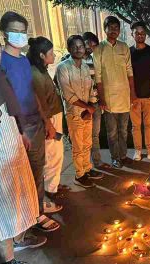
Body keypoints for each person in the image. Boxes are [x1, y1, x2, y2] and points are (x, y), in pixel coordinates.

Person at [0, 11, 60, 233]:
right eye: (15, 31)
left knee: (37, 169)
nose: (20, 36)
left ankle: (37, 211)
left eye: (23, 32)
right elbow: (6, 99)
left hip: (35, 122)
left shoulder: (24, 61)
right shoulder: (0, 62)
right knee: (19, 174)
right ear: (5, 34)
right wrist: (19, 129)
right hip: (17, 127)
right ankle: (25, 221)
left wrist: (46, 121)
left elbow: (32, 92)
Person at [0, 28, 40, 264]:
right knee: (1, 205)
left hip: (10, 143)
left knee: (17, 194)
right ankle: (6, 262)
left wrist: (19, 132)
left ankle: (18, 240)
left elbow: (9, 108)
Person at [56, 35, 103, 188]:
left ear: (85, 49)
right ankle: (79, 174)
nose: (78, 49)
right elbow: (68, 94)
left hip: (87, 111)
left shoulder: (85, 66)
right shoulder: (63, 67)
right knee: (78, 145)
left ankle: (87, 168)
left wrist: (91, 105)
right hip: (74, 113)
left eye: (81, 46)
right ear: (69, 49)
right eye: (74, 47)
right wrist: (87, 107)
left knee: (88, 142)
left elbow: (90, 88)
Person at [27, 36, 65, 209]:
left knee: (55, 154)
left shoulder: (41, 70)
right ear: (42, 55)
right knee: (52, 156)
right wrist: (49, 125)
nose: (54, 55)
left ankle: (53, 186)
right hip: (49, 120)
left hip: (53, 117)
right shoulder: (35, 74)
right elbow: (40, 104)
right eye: (51, 52)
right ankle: (49, 192)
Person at [93, 16, 136, 168]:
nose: (113, 31)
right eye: (110, 28)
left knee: (123, 130)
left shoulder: (124, 47)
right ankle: (115, 157)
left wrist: (133, 94)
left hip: (124, 96)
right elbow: (98, 77)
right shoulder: (98, 50)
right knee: (112, 132)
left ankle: (123, 156)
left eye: (116, 28)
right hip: (109, 98)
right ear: (105, 29)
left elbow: (130, 71)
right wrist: (102, 98)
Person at [129, 21, 150, 161]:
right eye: (137, 33)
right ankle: (137, 150)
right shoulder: (128, 52)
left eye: (142, 33)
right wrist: (131, 94)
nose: (140, 35)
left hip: (149, 95)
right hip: (134, 96)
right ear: (132, 34)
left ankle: (149, 150)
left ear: (145, 35)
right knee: (136, 126)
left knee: (149, 125)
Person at [82, 31, 110, 169]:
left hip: (95, 103)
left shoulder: (95, 61)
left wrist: (101, 100)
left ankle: (97, 162)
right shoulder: (71, 60)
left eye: (93, 46)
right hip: (82, 105)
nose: (90, 48)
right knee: (82, 137)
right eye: (88, 44)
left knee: (94, 135)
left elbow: (100, 81)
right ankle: (84, 166)